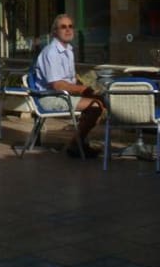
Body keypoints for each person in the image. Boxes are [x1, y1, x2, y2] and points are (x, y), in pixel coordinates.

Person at [31, 13, 105, 158]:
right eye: (63, 27)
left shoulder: (68, 50)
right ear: (55, 31)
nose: (68, 30)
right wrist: (84, 89)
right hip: (49, 98)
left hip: (62, 95)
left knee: (101, 100)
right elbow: (58, 85)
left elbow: (70, 81)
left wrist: (88, 87)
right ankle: (75, 144)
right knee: (96, 106)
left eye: (70, 26)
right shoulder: (51, 52)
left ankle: (79, 143)